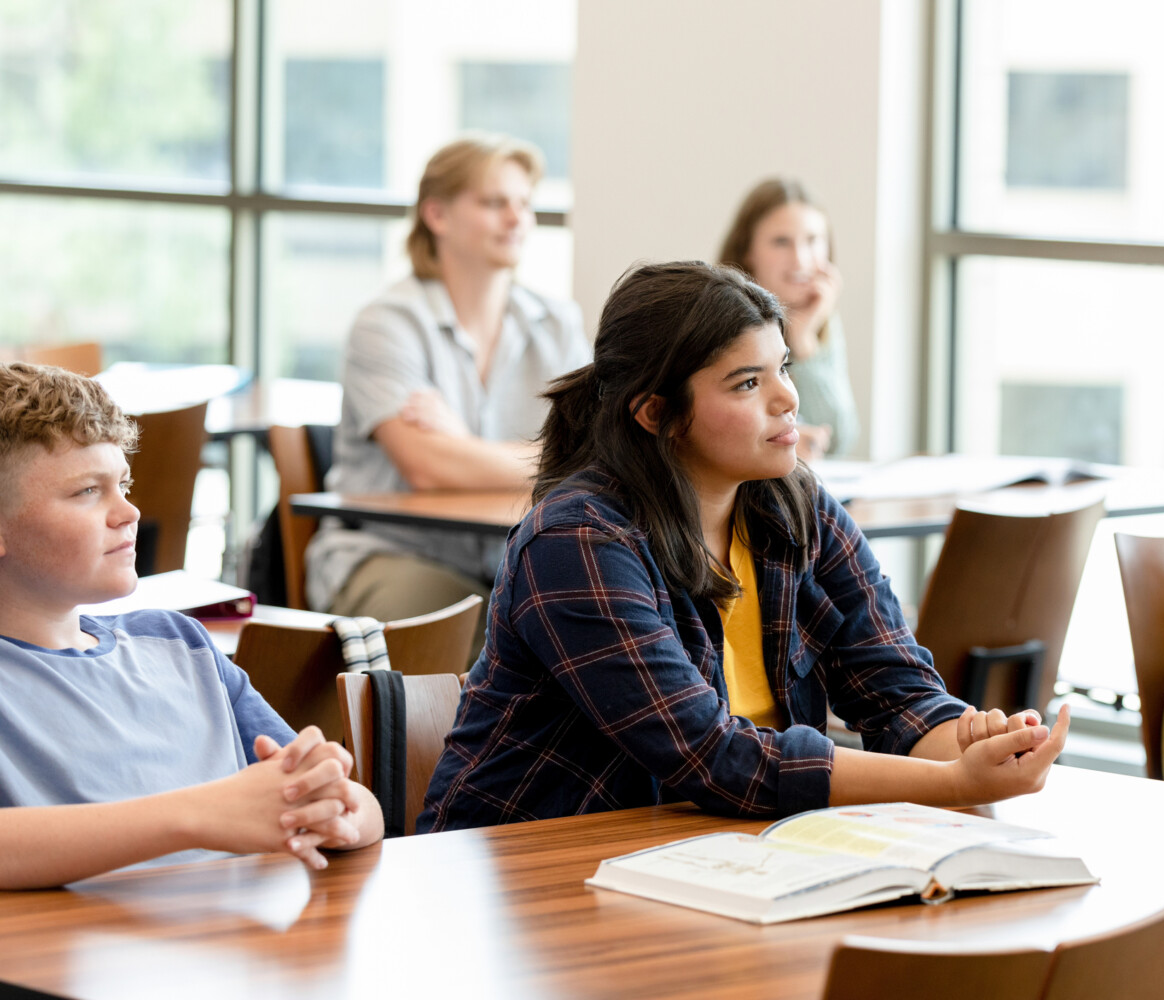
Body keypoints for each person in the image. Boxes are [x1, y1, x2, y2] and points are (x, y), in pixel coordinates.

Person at [419, 262, 1067, 831]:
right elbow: (709, 757)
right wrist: (954, 784)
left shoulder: (797, 507)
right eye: (746, 383)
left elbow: (899, 695)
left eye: (781, 367)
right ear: (655, 414)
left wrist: (975, 746)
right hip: (521, 881)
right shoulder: (578, 540)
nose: (788, 397)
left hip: (713, 860)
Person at [0, 363, 383, 888]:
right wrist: (199, 815)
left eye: (123, 484)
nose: (128, 511)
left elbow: (357, 805)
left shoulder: (179, 643)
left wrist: (334, 807)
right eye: (88, 491)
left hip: (235, 947)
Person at [304, 134, 589, 652]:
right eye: (494, 202)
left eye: (523, 204)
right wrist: (539, 459)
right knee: (491, 632)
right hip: (392, 554)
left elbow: (596, 457)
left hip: (513, 558)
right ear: (437, 214)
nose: (516, 218)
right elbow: (429, 467)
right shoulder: (387, 324)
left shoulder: (558, 324)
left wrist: (465, 447)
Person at [720, 178, 859, 458]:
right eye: (781, 242)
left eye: (812, 241)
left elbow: (838, 439)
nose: (800, 260)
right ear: (748, 251)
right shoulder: (720, 319)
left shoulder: (818, 315)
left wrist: (804, 339)